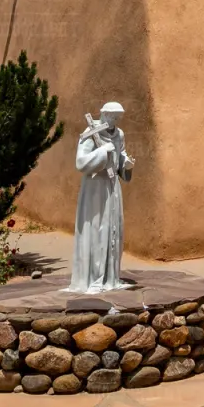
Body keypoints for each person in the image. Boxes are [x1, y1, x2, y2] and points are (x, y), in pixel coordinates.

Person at [66, 101, 135, 294]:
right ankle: (93, 278)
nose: (115, 120)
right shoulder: (89, 133)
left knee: (114, 228)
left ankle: (110, 277)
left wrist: (126, 163)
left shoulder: (119, 134)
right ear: (103, 115)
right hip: (95, 188)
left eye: (118, 117)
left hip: (113, 187)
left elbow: (120, 155)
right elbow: (80, 162)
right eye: (112, 116)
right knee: (97, 228)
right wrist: (101, 152)